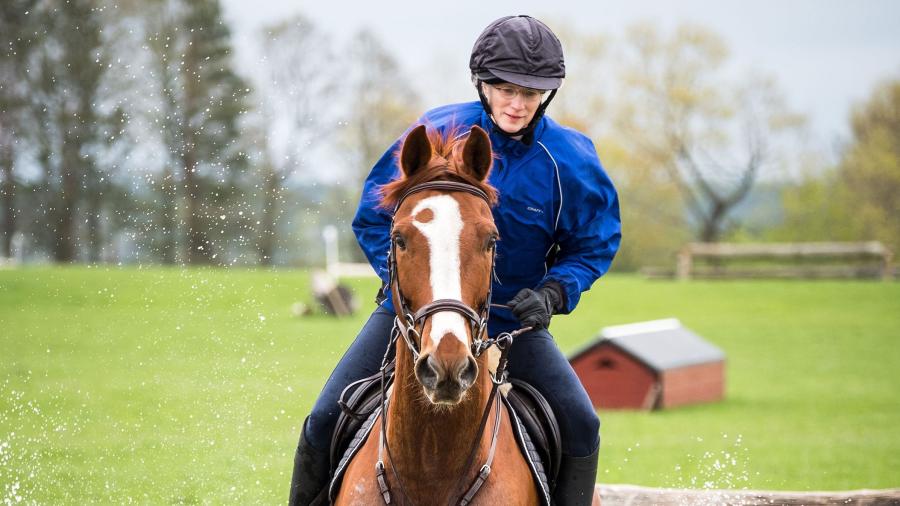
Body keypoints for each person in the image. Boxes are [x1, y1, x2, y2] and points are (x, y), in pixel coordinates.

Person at [290, 15, 621, 506]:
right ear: (482, 84)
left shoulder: (570, 160)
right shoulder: (436, 129)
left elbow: (594, 241)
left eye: (530, 93)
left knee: (581, 424)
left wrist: (555, 292)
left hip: (513, 319)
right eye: (506, 88)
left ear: (547, 95)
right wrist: (410, 290)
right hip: (415, 315)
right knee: (322, 419)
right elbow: (374, 219)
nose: (517, 103)